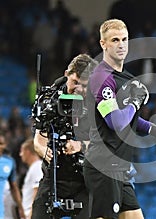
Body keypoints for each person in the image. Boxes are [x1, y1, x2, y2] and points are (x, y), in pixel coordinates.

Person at [83, 18, 156, 219]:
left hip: (120, 168)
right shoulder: (102, 77)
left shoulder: (126, 78)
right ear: (103, 44)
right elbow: (116, 122)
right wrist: (135, 102)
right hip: (103, 166)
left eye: (124, 39)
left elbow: (132, 121)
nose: (121, 45)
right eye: (114, 40)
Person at [31, 53, 98, 219]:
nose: (78, 89)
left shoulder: (98, 102)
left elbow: (105, 142)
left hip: (85, 180)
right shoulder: (49, 99)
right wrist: (44, 151)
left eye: (84, 85)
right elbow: (38, 140)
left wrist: (79, 145)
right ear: (66, 74)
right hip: (53, 178)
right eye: (75, 82)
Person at [0, 131, 25, 219]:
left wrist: (21, 207)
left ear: (5, 145)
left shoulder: (9, 162)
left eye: (1, 144)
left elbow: (14, 187)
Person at [19, 137, 43, 219]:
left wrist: (31, 214)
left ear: (27, 152)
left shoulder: (37, 166)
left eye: (22, 151)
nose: (20, 154)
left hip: (31, 214)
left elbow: (37, 191)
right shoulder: (33, 167)